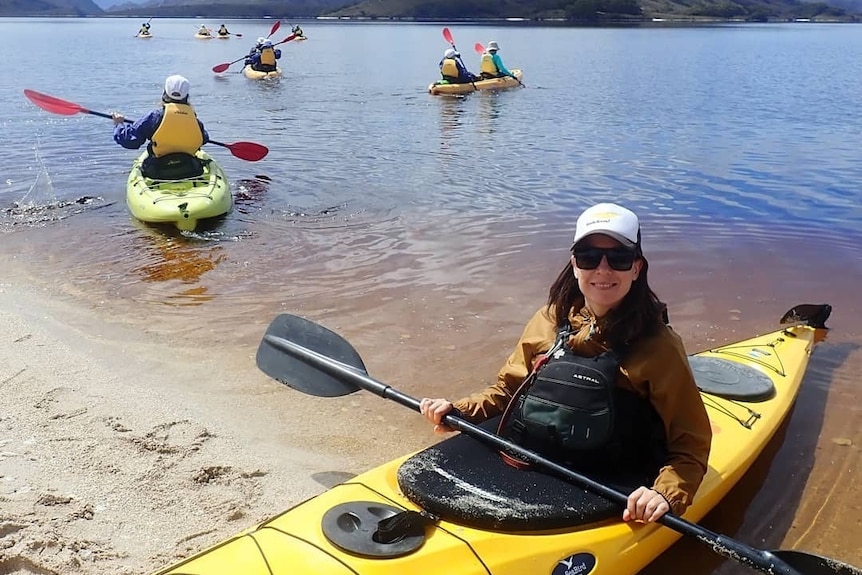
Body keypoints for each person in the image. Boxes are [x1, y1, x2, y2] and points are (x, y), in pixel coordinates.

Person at [420, 203, 712, 524]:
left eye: (618, 258)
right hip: (536, 458)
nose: (603, 270)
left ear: (636, 268)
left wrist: (665, 494)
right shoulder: (548, 320)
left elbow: (691, 444)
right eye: (589, 257)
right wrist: (459, 410)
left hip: (610, 477)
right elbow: (507, 390)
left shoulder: (660, 347)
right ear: (575, 265)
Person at [111, 75, 210, 180]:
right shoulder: (194, 119)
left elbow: (130, 141)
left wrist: (119, 124)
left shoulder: (155, 117)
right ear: (187, 96)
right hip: (190, 170)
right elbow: (204, 139)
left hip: (158, 171)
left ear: (164, 93)